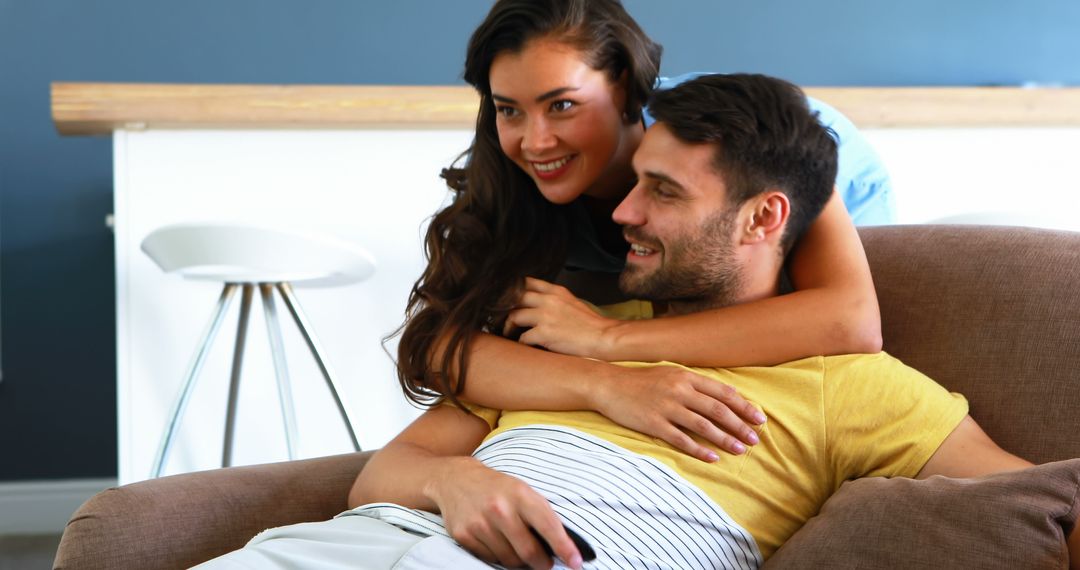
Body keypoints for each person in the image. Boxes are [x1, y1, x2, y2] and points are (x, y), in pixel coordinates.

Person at [196, 73, 1074, 570]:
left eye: (662, 191)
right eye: (635, 180)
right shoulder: (571, 325)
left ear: (764, 219)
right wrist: (450, 485)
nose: (622, 213)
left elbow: (1046, 504)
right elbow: (389, 470)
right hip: (348, 547)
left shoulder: (855, 386)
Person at [394, 0, 887, 463]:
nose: (535, 141)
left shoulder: (728, 137)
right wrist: (604, 384)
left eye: (562, 105)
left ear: (627, 87)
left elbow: (850, 320)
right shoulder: (503, 175)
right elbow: (443, 344)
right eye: (509, 110)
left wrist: (609, 338)